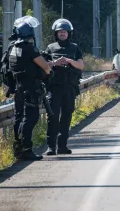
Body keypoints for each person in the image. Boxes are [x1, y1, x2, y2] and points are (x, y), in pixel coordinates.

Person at [9, 16, 52, 160]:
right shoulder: (29, 48)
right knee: (31, 118)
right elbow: (45, 67)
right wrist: (48, 70)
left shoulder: (13, 48)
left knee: (20, 118)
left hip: (19, 88)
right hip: (30, 89)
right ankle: (26, 149)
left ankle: (18, 148)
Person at [44, 19, 83, 156]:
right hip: (54, 88)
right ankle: (50, 147)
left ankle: (62, 146)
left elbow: (81, 65)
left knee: (66, 116)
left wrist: (70, 61)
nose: (62, 34)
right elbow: (44, 66)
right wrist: (55, 63)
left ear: (68, 33)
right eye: (60, 32)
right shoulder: (50, 47)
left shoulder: (75, 48)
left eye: (64, 32)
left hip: (69, 88)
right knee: (53, 117)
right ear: (56, 33)